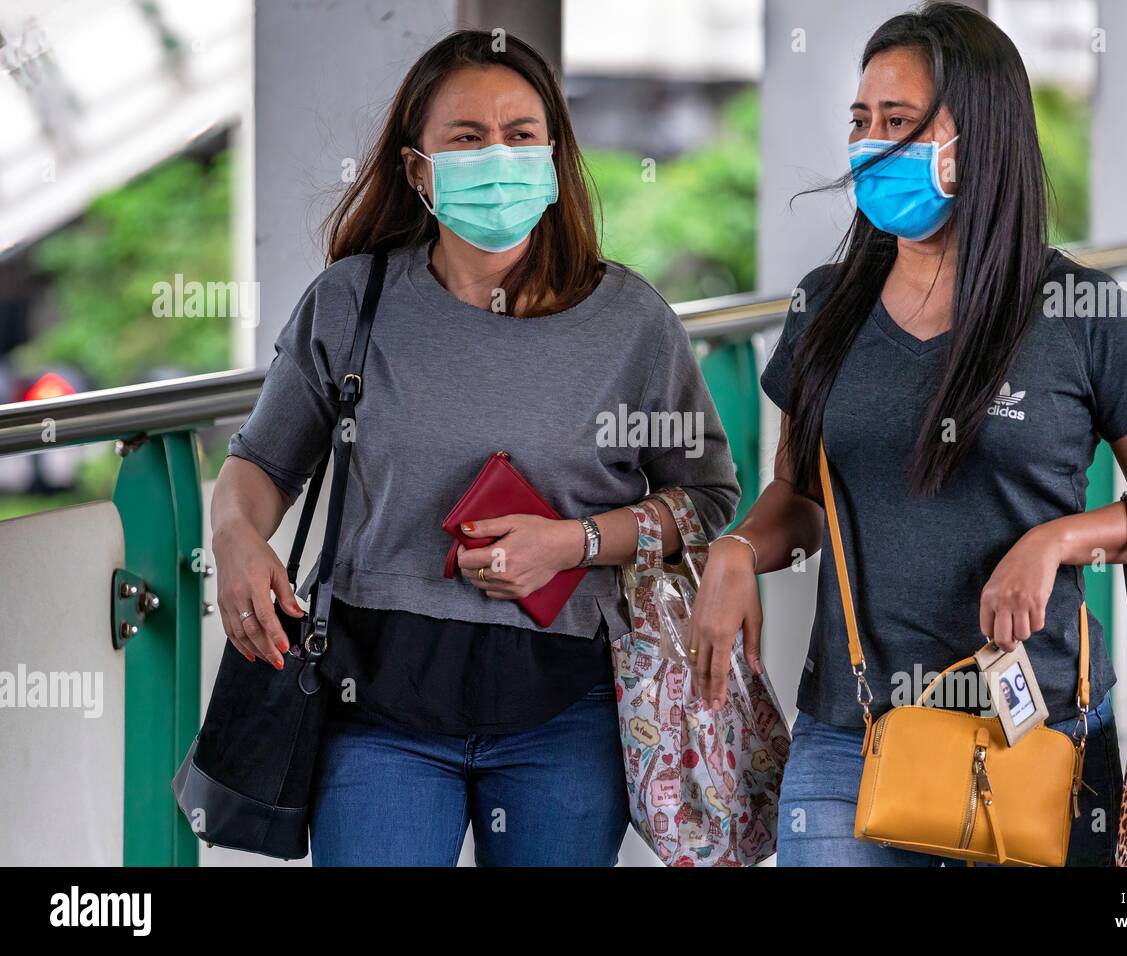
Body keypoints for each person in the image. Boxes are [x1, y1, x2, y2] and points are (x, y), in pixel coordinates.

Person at [686, 1, 1127, 867]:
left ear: (982, 138)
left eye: (900, 122)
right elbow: (800, 496)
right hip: (850, 732)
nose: (869, 144)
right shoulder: (826, 306)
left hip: (1039, 729)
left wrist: (1058, 540)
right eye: (861, 121)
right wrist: (738, 548)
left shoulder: (1077, 313)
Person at [211, 30, 740, 866]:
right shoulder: (353, 302)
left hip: (564, 710)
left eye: (521, 135)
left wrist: (575, 542)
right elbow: (261, 467)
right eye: (467, 137)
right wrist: (235, 536)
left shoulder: (631, 323)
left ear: (556, 157)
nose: (498, 156)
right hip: (375, 708)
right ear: (419, 170)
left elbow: (706, 501)